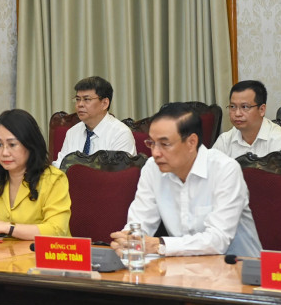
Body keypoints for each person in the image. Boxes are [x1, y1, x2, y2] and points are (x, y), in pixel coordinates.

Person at [110, 102, 261, 257]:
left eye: (164, 144)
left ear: (191, 142)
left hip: (237, 269)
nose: (155, 153)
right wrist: (127, 240)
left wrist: (159, 244)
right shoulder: (152, 167)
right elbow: (139, 222)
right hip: (181, 267)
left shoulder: (225, 169)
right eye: (152, 143)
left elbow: (217, 240)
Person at [0, 109, 71, 239]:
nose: (4, 152)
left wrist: (5, 227)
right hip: (7, 255)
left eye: (12, 144)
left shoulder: (54, 179)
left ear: (30, 145)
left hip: (49, 255)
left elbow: (56, 230)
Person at [52, 76, 136, 167]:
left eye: (86, 99)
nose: (80, 104)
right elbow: (60, 165)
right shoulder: (72, 132)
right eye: (77, 99)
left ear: (104, 103)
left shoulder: (120, 134)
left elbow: (120, 176)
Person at [212, 80, 281, 159]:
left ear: (262, 110)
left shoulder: (279, 140)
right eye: (233, 107)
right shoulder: (225, 140)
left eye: (245, 107)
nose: (237, 114)